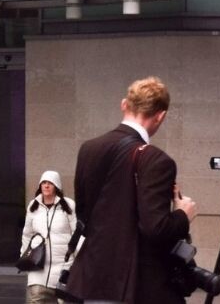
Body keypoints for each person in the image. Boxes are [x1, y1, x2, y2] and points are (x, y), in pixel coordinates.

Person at [61, 76, 198, 304]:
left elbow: (83, 215)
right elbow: (156, 228)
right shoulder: (157, 160)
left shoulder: (88, 149)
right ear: (160, 115)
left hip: (92, 278)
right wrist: (183, 214)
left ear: (124, 104)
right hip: (137, 285)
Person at [20, 170, 78, 304]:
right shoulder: (33, 206)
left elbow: (76, 235)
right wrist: (25, 257)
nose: (46, 186)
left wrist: (76, 260)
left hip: (63, 269)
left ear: (56, 186)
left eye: (50, 183)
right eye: (44, 182)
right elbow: (27, 234)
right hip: (38, 269)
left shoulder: (68, 205)